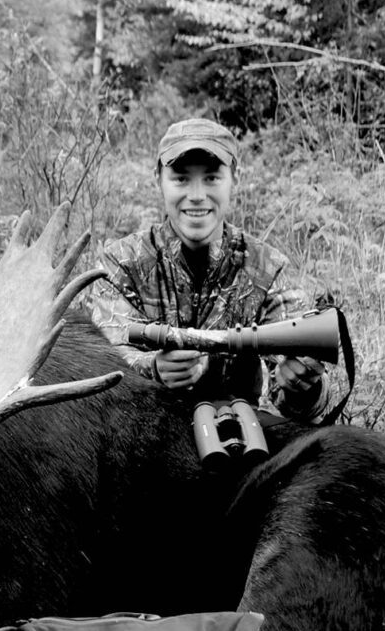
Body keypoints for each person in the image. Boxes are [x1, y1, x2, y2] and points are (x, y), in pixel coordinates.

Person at [85, 117, 333, 423]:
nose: (197, 195)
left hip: (243, 442)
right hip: (142, 441)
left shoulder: (267, 269)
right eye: (181, 179)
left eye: (212, 178)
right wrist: (153, 368)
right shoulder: (121, 263)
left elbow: (303, 406)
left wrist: (302, 385)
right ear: (158, 179)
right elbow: (101, 364)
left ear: (234, 180)